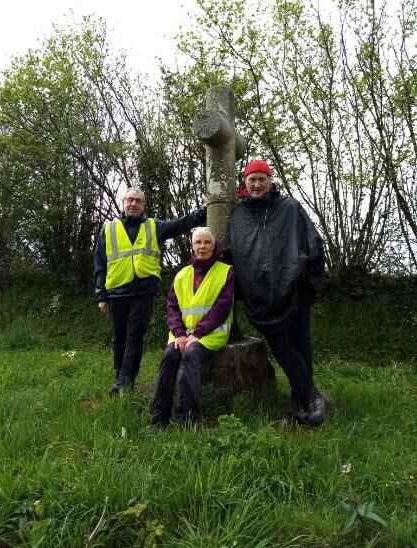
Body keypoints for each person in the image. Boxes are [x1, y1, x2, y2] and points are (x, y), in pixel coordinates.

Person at [227, 159, 327, 426]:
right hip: (261, 300)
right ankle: (311, 396)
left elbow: (313, 244)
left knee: (301, 345)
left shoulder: (290, 208)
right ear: (245, 184)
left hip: (294, 294)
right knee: (282, 348)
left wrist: (310, 285)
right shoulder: (238, 216)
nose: (257, 184)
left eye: (262, 179)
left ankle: (301, 398)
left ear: (270, 181)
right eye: (252, 180)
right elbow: (233, 254)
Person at [94, 187, 206, 396]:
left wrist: (204, 211)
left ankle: (125, 383)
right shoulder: (108, 229)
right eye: (130, 200)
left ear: (144, 205)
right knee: (119, 338)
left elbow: (180, 224)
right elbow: (100, 262)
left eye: (138, 201)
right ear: (124, 203)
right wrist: (101, 295)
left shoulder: (154, 226)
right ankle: (120, 376)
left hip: (143, 292)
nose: (133, 204)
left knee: (134, 336)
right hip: (116, 292)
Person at [151, 227, 234, 427]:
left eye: (207, 242)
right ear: (192, 246)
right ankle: (159, 417)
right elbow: (172, 307)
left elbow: (220, 309)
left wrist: (196, 335)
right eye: (198, 242)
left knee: (191, 354)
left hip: (211, 333)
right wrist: (179, 335)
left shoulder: (226, 272)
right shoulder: (182, 274)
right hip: (182, 334)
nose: (202, 246)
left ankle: (187, 418)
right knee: (170, 356)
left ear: (214, 247)